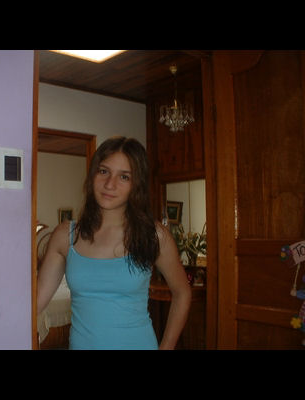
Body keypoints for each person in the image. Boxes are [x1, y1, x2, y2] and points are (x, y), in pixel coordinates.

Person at [37, 136, 191, 350]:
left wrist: (166, 347)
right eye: (103, 171)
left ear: (136, 184)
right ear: (93, 174)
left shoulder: (153, 235)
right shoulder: (66, 236)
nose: (110, 184)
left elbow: (182, 292)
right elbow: (36, 303)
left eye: (124, 177)